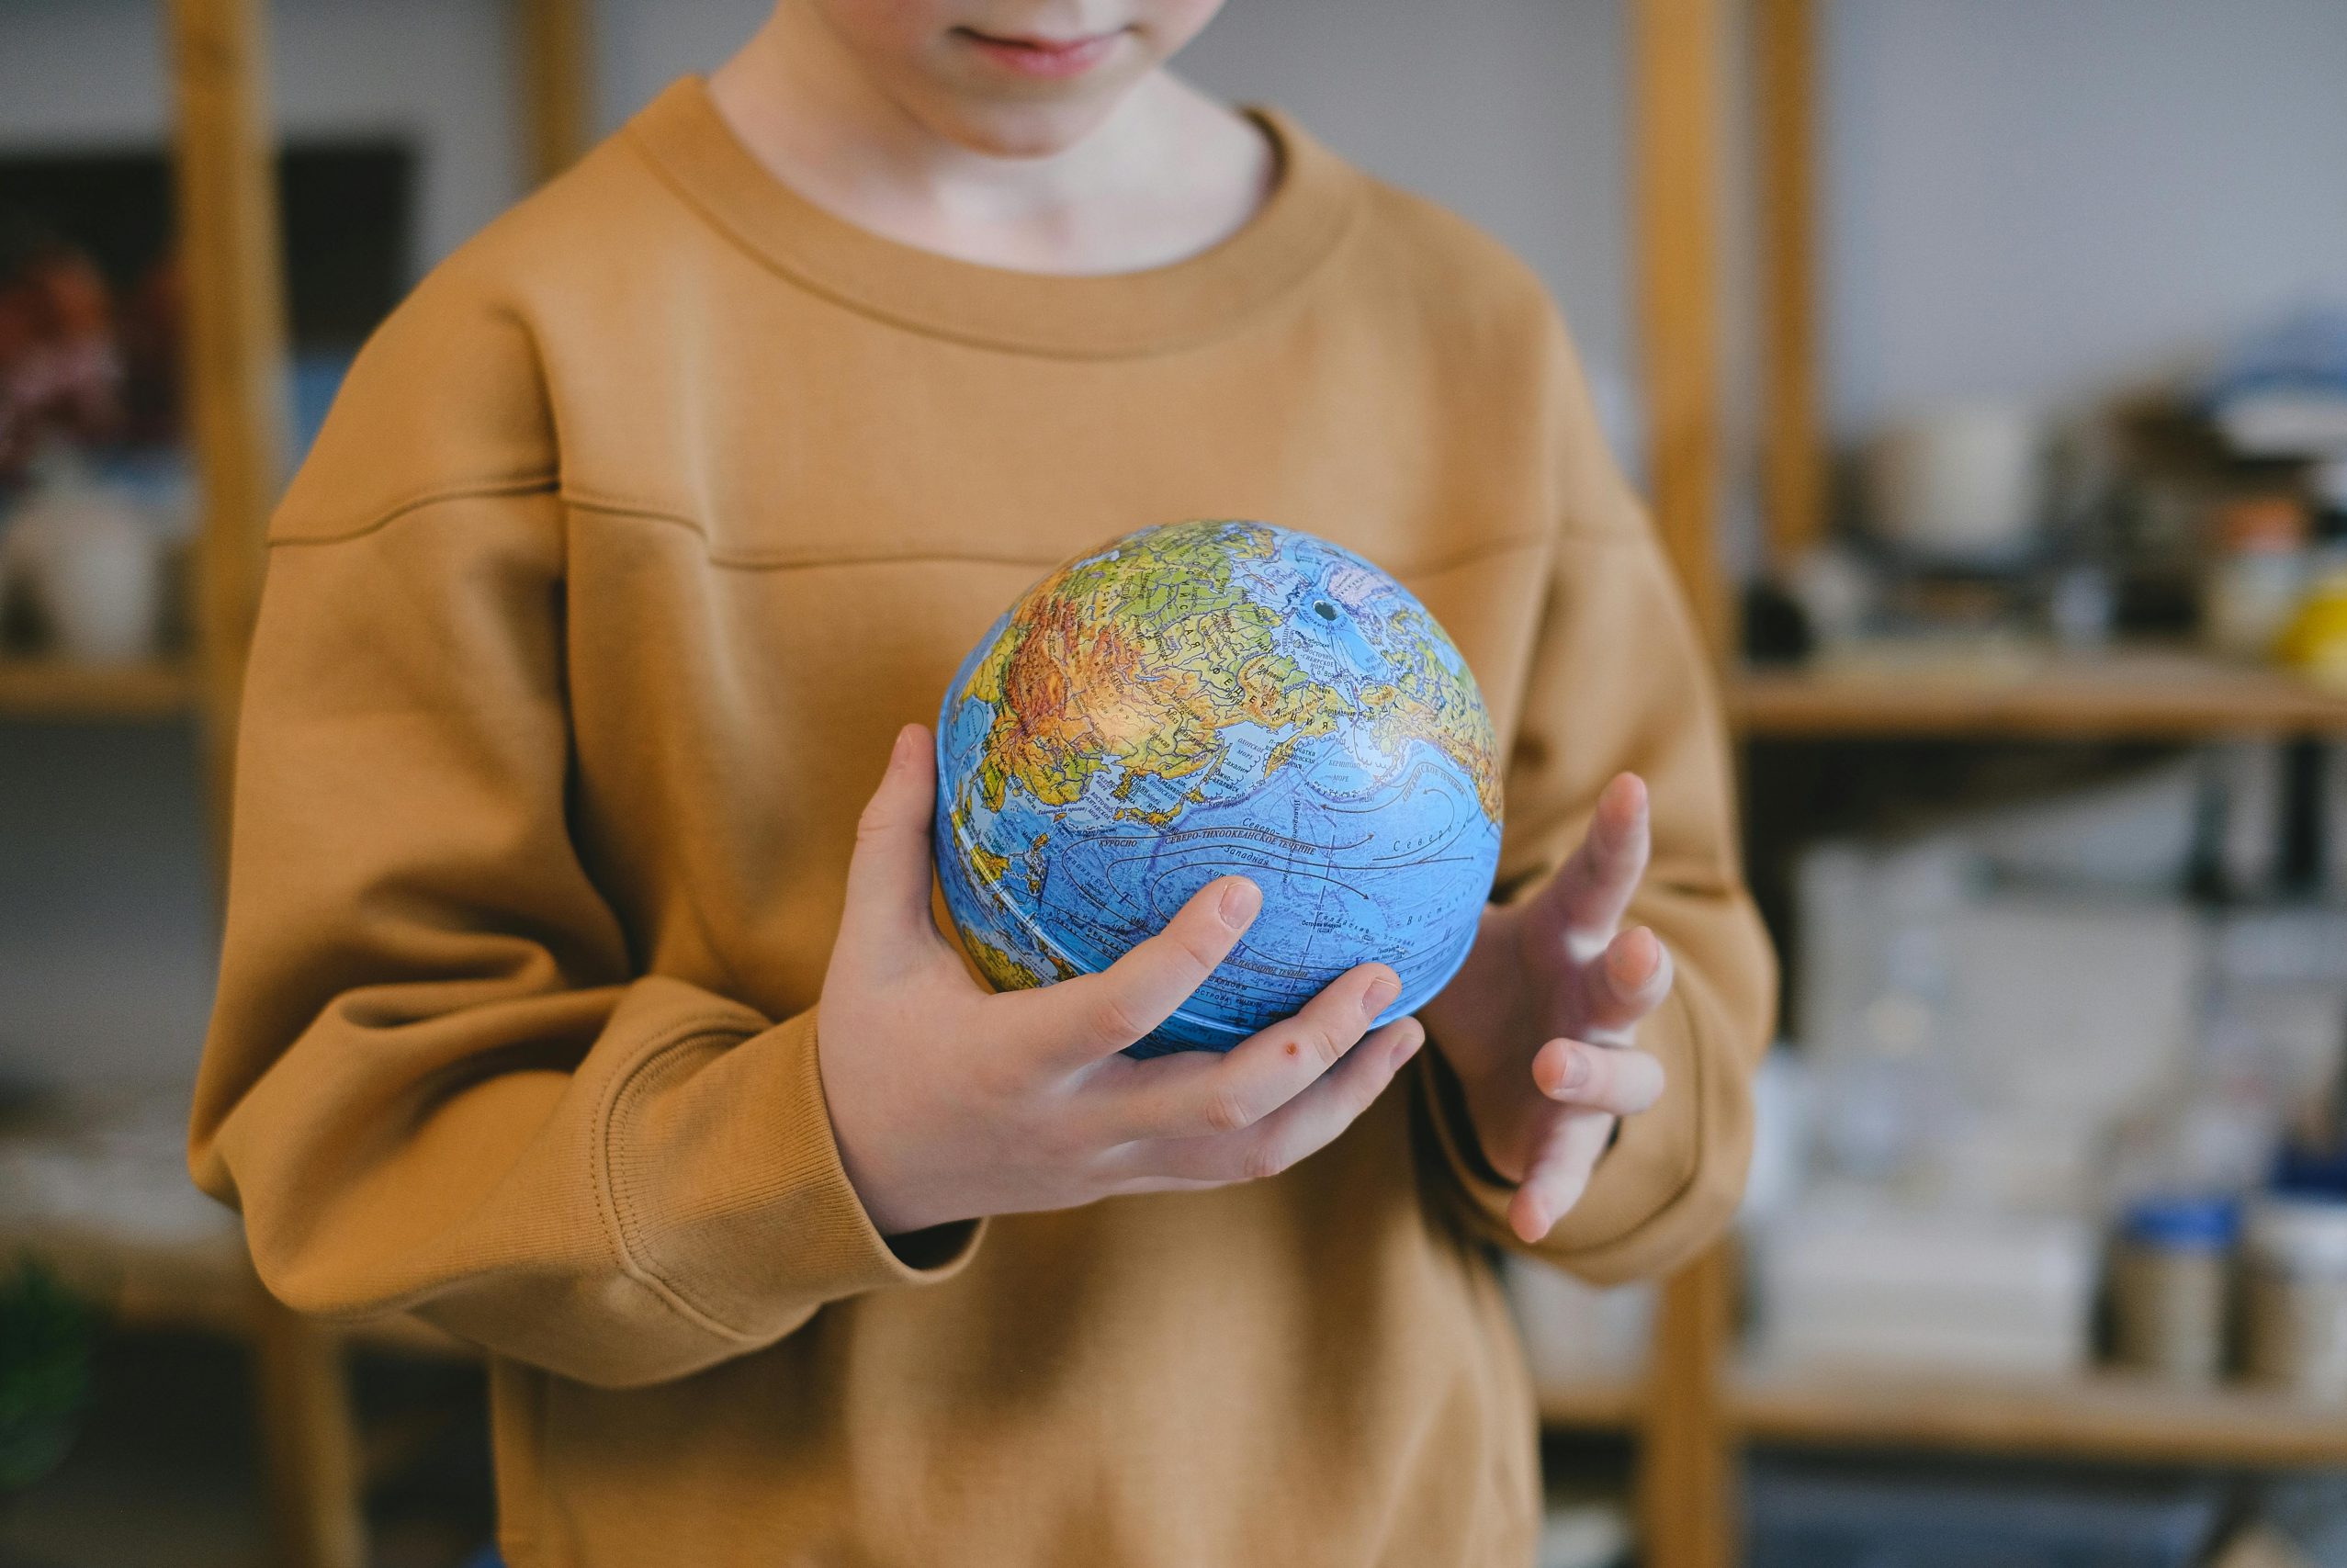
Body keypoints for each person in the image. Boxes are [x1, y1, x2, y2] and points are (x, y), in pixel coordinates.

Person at [189, 3, 1775, 1563]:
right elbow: (358, 1140)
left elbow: (1677, 994)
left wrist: (1550, 1077)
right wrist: (839, 1145)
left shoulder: (1466, 334)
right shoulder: (515, 362)